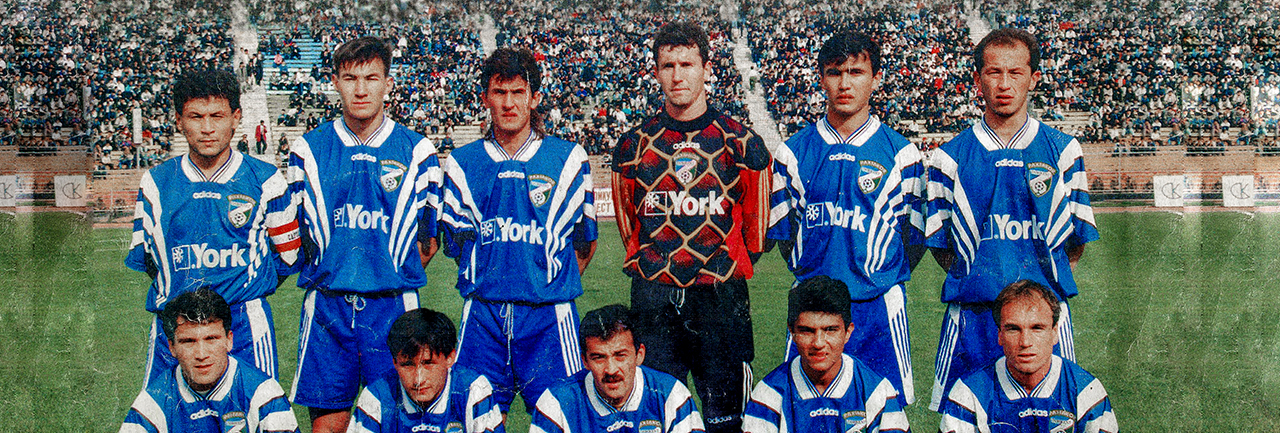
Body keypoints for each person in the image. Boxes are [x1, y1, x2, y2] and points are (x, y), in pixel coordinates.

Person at [924, 28, 1100, 411]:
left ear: (1033, 78)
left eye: (1016, 72)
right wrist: (979, 277)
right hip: (973, 319)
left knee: (1056, 418)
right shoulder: (948, 158)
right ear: (978, 80)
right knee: (964, 419)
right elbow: (941, 247)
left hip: (1043, 322)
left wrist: (1037, 298)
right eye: (994, 72)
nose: (1004, 84)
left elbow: (1075, 242)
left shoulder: (1063, 151)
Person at [610, 21, 771, 433]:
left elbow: (755, 234)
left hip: (720, 297)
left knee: (728, 421)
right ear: (655, 72)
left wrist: (717, 267)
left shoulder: (741, 142)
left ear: (706, 68)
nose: (677, 75)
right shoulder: (633, 146)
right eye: (668, 66)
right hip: (654, 298)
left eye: (687, 64)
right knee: (657, 416)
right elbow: (629, 228)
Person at [284, 36, 442, 433]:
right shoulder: (308, 150)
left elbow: (428, 242)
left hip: (393, 307)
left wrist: (384, 273)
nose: (360, 89)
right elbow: (298, 234)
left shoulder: (418, 151)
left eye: (371, 78)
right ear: (334, 82)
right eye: (350, 78)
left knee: (398, 421)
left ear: (388, 83)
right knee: (327, 425)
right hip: (328, 308)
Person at [766, 30, 925, 405]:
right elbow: (787, 236)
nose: (845, 83)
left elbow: (913, 241)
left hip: (877, 308)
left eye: (856, 72)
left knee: (886, 412)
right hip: (812, 311)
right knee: (805, 409)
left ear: (875, 78)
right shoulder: (793, 153)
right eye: (835, 72)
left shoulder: (902, 155)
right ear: (822, 78)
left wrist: (876, 276)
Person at [438, 46, 597, 415]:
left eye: (518, 92)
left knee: (562, 418)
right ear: (485, 98)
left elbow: (584, 245)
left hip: (548, 320)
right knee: (476, 418)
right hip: (483, 318)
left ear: (534, 98)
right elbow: (459, 247)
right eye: (499, 92)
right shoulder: (462, 164)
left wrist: (542, 284)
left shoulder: (568, 158)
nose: (509, 103)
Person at [126, 68, 300, 385]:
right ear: (179, 121)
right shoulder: (156, 183)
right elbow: (150, 260)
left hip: (244, 329)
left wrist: (244, 290)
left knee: (255, 410)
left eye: (217, 116)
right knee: (166, 412)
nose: (207, 128)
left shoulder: (266, 180)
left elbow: (287, 257)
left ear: (236, 118)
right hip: (175, 331)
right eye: (196, 117)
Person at [938, 280, 1118, 432]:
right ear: (999, 335)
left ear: (1054, 333)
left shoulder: (1085, 391)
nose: (1025, 342)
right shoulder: (970, 393)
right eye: (1013, 329)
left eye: (1037, 328)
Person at [742, 276, 909, 433]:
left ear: (847, 332)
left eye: (830, 330)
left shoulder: (876, 391)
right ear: (792, 332)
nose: (818, 343)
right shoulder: (769, 394)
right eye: (807, 331)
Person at [120, 289, 300, 433]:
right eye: (188, 341)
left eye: (211, 339)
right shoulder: (152, 403)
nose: (201, 354)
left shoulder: (263, 395)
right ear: (172, 347)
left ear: (229, 340)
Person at [529, 305, 704, 433]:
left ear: (639, 355)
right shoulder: (556, 403)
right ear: (585, 361)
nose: (611, 370)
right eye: (599, 357)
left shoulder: (670, 395)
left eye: (620, 355)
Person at [347, 308, 505, 433]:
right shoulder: (377, 396)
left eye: (428, 363)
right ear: (395, 362)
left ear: (450, 358)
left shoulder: (473, 390)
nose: (418, 379)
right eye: (407, 365)